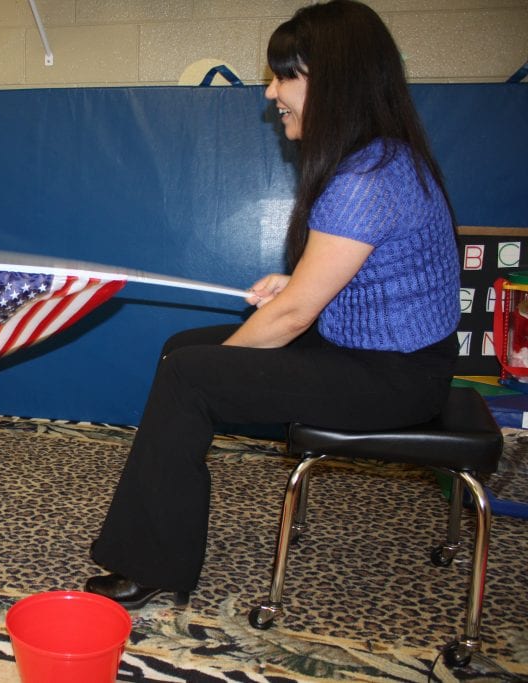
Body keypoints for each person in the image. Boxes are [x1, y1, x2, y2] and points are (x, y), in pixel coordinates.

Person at [85, 0, 460, 608]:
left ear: (336, 82)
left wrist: (224, 370)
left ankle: (149, 565)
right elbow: (360, 280)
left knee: (189, 376)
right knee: (184, 350)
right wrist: (296, 284)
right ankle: (157, 534)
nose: (270, 91)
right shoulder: (385, 159)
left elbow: (292, 320)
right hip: (390, 358)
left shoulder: (365, 179)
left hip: (396, 377)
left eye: (285, 75)